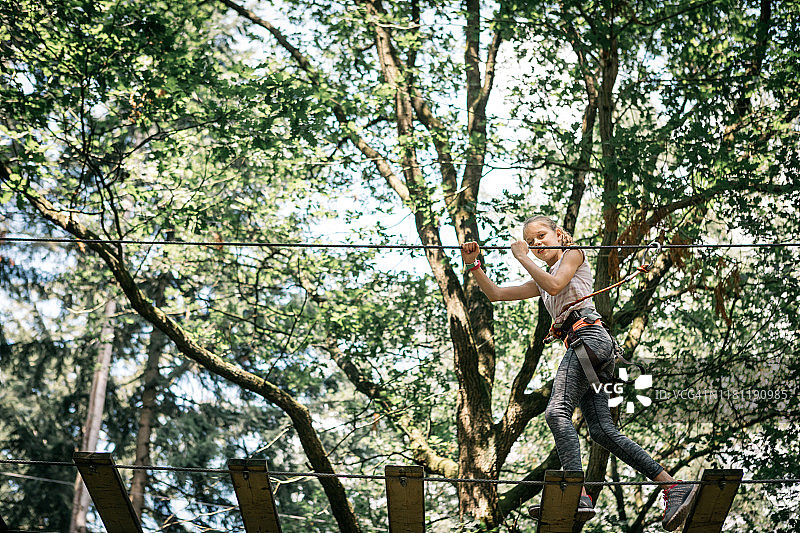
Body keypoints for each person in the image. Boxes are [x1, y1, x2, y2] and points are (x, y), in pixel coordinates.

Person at [460, 215, 697, 531]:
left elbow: (557, 284)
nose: (536, 245)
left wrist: (521, 257)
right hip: (589, 351)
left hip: (590, 340)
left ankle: (577, 493)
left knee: (556, 412)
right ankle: (672, 485)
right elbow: (497, 294)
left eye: (541, 236)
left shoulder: (574, 254)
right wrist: (473, 265)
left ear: (558, 234)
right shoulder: (542, 280)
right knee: (602, 431)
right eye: (530, 243)